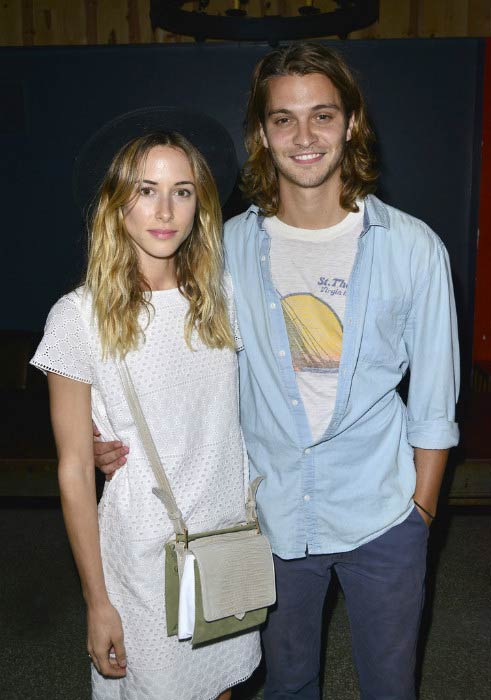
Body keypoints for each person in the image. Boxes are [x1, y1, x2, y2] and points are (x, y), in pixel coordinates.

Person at [94, 44, 460, 700]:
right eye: (283, 119)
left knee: (390, 689)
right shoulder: (224, 248)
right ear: (262, 133)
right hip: (265, 519)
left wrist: (418, 514)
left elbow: (434, 404)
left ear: (351, 124)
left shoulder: (412, 248)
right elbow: (175, 365)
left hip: (383, 515)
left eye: (321, 115)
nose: (304, 136)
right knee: (284, 685)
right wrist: (109, 434)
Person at [31, 107, 261, 700]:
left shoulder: (225, 299)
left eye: (181, 192)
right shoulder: (77, 318)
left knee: (223, 687)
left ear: (200, 203)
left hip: (225, 541)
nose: (164, 211)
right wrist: (97, 601)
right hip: (140, 555)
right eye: (146, 190)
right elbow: (76, 468)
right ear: (116, 202)